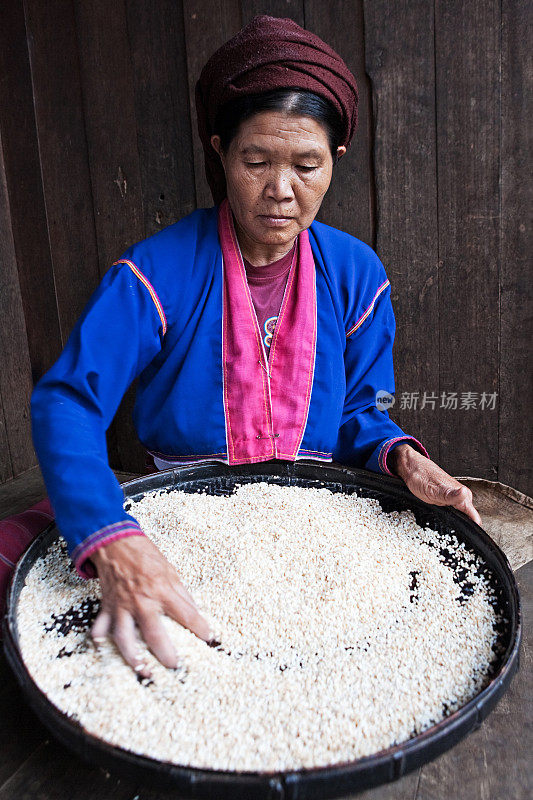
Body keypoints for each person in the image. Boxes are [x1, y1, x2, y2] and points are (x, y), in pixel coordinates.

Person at [30, 16, 481, 678]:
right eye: (255, 161)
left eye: (306, 164)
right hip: (180, 513)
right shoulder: (157, 271)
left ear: (336, 160)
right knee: (27, 559)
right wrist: (116, 540)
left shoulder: (356, 275)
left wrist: (404, 458)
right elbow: (68, 398)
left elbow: (363, 410)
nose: (280, 189)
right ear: (218, 151)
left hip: (320, 523)